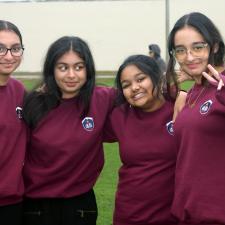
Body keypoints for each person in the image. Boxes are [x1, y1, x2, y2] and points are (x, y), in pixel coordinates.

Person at [22, 36, 115, 225]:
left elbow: (146, 91)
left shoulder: (103, 99)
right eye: (63, 67)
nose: (71, 75)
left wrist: (181, 92)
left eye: (79, 67)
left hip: (80, 205)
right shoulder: (33, 103)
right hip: (36, 207)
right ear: (52, 69)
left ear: (88, 69)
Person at [104, 55, 178, 225]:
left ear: (155, 77)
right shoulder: (119, 116)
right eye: (126, 85)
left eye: (141, 79)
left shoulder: (179, 109)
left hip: (172, 215)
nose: (134, 88)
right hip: (129, 215)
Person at [166, 12, 225, 224]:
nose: (189, 57)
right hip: (187, 212)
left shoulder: (222, 86)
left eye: (198, 47)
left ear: (215, 46)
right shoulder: (194, 91)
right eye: (180, 50)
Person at [0, 20, 27, 225]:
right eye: (1, 48)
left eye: (15, 48)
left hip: (13, 203)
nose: (9, 56)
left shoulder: (19, 91)